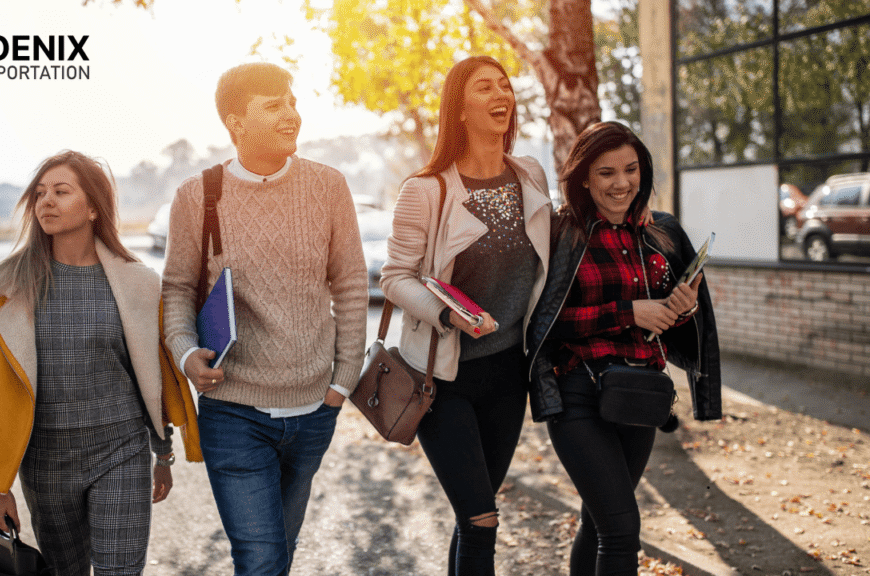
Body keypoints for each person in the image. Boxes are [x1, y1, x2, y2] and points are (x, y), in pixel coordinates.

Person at [161, 62, 368, 576]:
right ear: (235, 122)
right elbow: (177, 291)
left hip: (314, 407)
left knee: (279, 552)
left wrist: (343, 382)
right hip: (233, 410)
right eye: (274, 105)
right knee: (259, 558)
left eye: (292, 102)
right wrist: (187, 355)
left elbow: (349, 286)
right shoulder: (198, 195)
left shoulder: (328, 186)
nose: (291, 115)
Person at [0, 150, 202, 576]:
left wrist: (162, 454)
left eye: (61, 191)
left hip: (120, 450)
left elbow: (153, 377)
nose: (46, 201)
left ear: (92, 208)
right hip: (45, 464)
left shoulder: (139, 284)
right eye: (40, 193)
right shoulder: (3, 290)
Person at [379, 55, 553, 575]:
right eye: (484, 87)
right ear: (458, 108)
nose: (501, 94)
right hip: (442, 380)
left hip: (508, 376)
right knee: (481, 520)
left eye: (505, 85)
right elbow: (394, 277)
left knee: (473, 517)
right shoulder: (426, 189)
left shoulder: (530, 175)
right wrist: (447, 314)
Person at [524, 121, 721, 576]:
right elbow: (542, 326)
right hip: (579, 396)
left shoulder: (659, 232)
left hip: (640, 395)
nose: (621, 183)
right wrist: (626, 311)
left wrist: (681, 308)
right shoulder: (561, 233)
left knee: (598, 524)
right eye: (606, 173)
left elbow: (672, 327)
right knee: (622, 530)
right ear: (585, 178)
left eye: (630, 170)